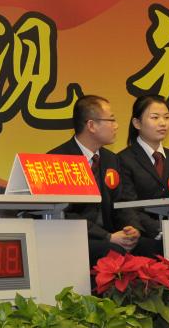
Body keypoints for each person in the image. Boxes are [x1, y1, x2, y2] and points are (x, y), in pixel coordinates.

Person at [48, 94, 158, 264]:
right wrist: (107, 236)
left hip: (112, 234)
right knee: (113, 251)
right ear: (91, 125)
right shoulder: (58, 160)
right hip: (78, 237)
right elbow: (64, 213)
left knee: (153, 248)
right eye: (111, 120)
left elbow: (122, 202)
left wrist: (132, 228)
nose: (116, 126)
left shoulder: (111, 159)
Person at [117, 94, 169, 237]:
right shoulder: (123, 159)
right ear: (137, 123)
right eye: (155, 117)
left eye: (166, 117)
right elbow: (129, 206)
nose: (163, 123)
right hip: (145, 235)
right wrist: (162, 229)